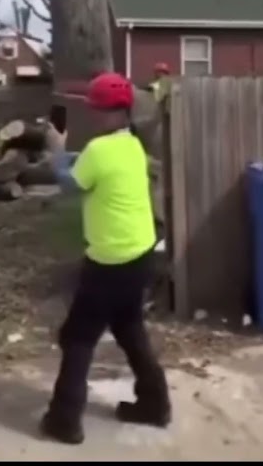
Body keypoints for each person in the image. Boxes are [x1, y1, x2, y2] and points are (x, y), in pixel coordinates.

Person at [39, 72, 170, 444]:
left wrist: (57, 150)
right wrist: (73, 155)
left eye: (97, 110)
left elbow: (68, 181)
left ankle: (64, 420)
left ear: (113, 113)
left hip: (109, 263)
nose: (93, 116)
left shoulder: (98, 151)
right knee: (129, 329)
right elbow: (96, 165)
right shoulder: (131, 146)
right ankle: (155, 405)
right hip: (141, 256)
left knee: (78, 337)